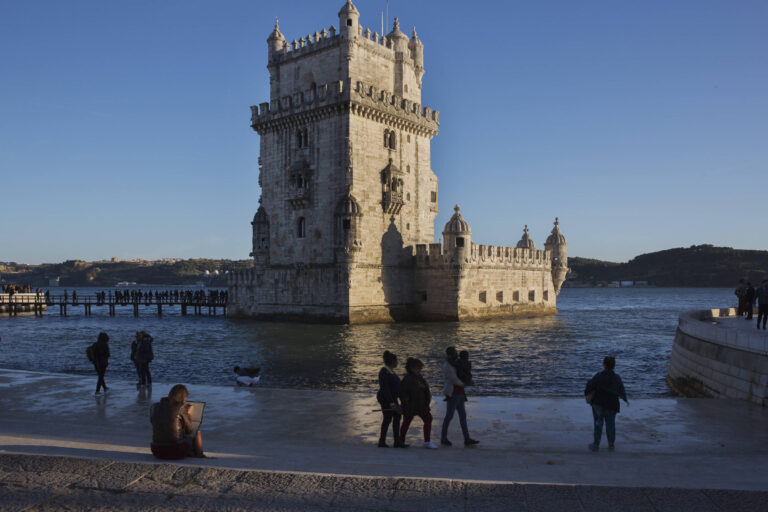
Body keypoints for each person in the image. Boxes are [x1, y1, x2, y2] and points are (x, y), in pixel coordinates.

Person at [584, 356, 629, 452]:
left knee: (598, 424)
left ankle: (595, 445)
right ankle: (611, 445)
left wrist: (587, 394)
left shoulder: (599, 375)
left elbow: (589, 385)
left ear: (604, 365)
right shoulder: (617, 378)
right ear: (614, 366)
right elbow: (621, 390)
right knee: (610, 425)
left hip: (598, 403)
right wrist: (625, 400)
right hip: (612, 404)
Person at [149, 384, 204, 459]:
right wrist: (188, 415)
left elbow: (153, 423)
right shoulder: (181, 408)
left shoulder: (154, 406)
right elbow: (190, 430)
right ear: (183, 397)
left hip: (156, 450)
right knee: (197, 432)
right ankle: (200, 455)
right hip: (176, 450)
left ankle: (190, 452)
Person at [440, 346, 479, 447]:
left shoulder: (456, 363)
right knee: (449, 416)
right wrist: (466, 384)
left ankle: (467, 439)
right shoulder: (448, 365)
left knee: (462, 416)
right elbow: (454, 380)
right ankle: (443, 438)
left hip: (460, 393)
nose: (456, 354)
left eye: (455, 352)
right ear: (449, 354)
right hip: (453, 394)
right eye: (454, 353)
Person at [399, 358, 437, 449]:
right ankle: (401, 441)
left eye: (420, 368)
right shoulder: (407, 379)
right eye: (418, 368)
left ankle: (427, 442)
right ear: (412, 368)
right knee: (406, 422)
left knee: (428, 419)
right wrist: (406, 403)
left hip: (421, 405)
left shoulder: (419, 377)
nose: (420, 370)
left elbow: (425, 390)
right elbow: (403, 393)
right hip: (411, 405)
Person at [377, 350, 406, 448]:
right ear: (392, 362)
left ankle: (397, 442)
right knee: (387, 419)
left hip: (393, 399)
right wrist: (391, 403)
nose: (397, 362)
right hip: (386, 399)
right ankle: (382, 441)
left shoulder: (390, 371)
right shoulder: (384, 371)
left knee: (397, 417)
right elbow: (385, 389)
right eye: (396, 361)